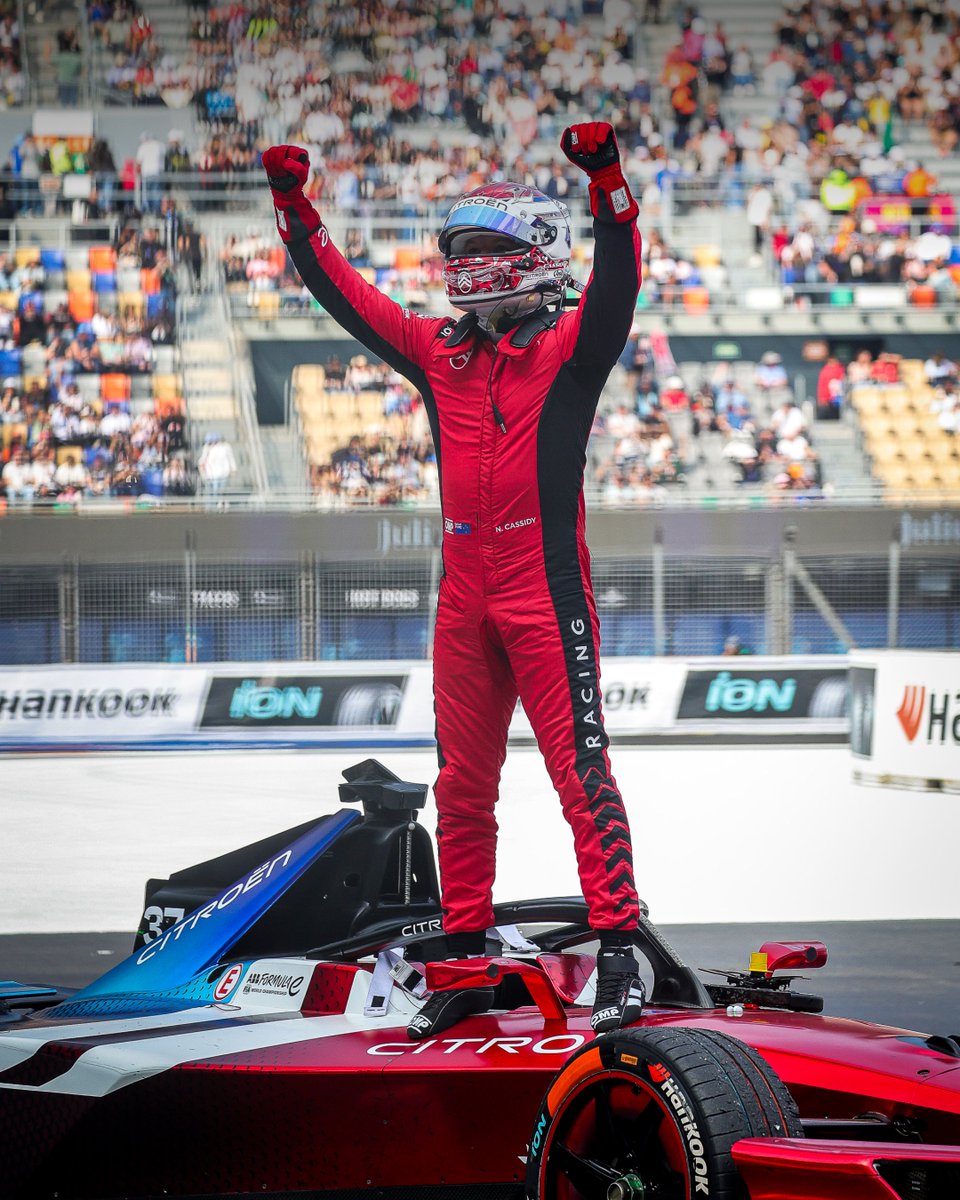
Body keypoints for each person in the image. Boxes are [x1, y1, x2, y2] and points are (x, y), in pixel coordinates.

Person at [264, 122, 646, 1040]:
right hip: (464, 591)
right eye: (460, 253)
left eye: (487, 251)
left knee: (578, 771)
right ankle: (468, 957)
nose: (467, 268)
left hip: (543, 588)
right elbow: (350, 300)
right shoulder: (441, 352)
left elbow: (620, 278)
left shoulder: (569, 350)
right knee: (461, 786)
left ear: (538, 258)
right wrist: (294, 211)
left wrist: (608, 182)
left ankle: (622, 949)